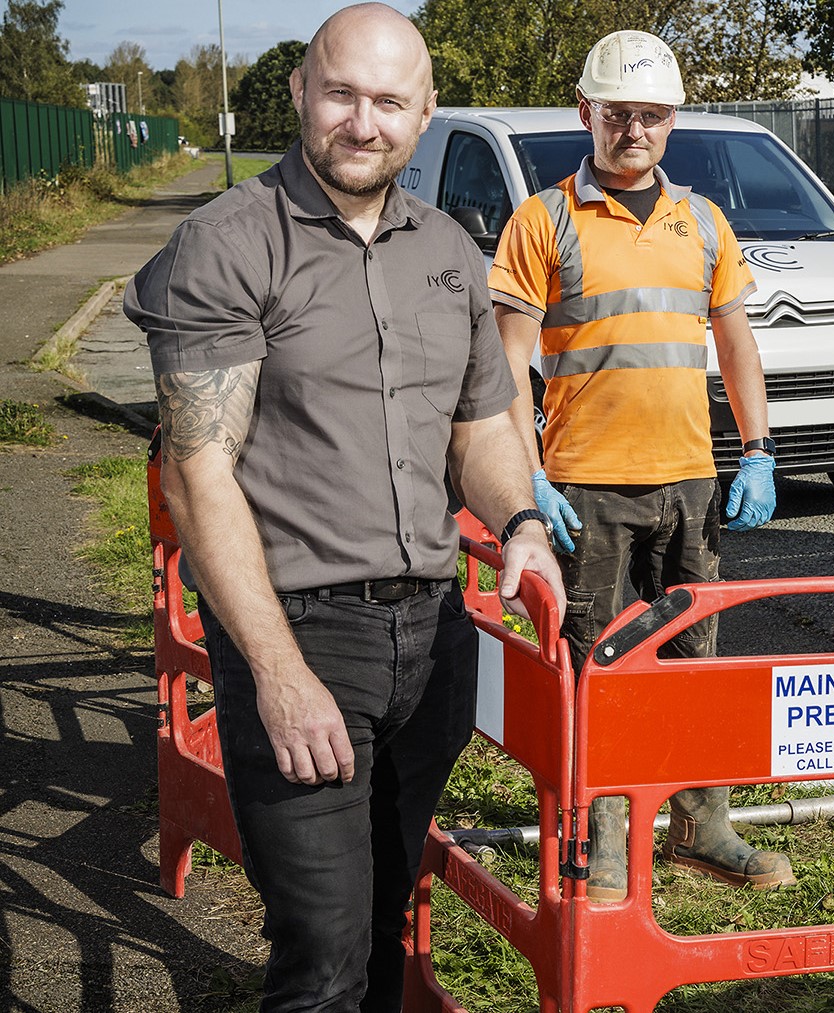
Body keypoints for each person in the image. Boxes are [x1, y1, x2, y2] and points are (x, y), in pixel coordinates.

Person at [124, 5, 564, 1010]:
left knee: (384, 919)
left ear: (425, 113)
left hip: (433, 634)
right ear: (298, 93)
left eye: (389, 102)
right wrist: (276, 672)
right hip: (302, 632)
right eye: (342, 94)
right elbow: (199, 474)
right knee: (320, 953)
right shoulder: (228, 245)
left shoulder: (450, 249)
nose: (363, 123)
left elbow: (483, 427)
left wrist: (524, 525)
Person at [487, 29, 792, 899]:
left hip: (689, 481)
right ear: (587, 113)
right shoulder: (542, 221)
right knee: (599, 667)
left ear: (672, 122)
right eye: (618, 113)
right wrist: (528, 473)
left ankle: (704, 826)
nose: (634, 131)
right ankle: (604, 841)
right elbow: (507, 363)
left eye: (651, 116)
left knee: (696, 660)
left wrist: (758, 451)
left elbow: (736, 345)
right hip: (584, 488)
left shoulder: (702, 222)